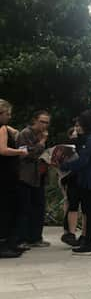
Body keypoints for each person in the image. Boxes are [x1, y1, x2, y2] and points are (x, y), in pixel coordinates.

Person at [57, 110, 91, 256]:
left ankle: (88, 243)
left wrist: (63, 166)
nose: (77, 128)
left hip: (90, 181)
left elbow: (83, 160)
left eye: (80, 125)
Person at [16, 110, 51, 248]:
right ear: (35, 120)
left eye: (47, 123)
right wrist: (42, 142)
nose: (44, 125)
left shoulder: (43, 134)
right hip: (26, 176)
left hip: (39, 175)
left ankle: (36, 237)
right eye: (42, 122)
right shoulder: (25, 133)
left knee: (39, 207)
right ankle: (22, 239)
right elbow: (25, 154)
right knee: (25, 208)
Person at [0, 99, 29, 258]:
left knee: (8, 208)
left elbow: (15, 132)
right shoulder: (2, 128)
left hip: (5, 174)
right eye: (7, 114)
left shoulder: (4, 128)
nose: (9, 117)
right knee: (8, 209)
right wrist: (20, 152)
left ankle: (9, 242)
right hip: (5, 175)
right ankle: (5, 244)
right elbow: (3, 150)